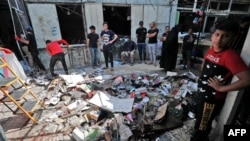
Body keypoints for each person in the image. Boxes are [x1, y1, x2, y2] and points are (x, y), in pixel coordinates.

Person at [190, 18, 250, 141]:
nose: (219, 39)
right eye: (217, 35)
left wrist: (222, 88)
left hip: (211, 99)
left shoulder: (230, 57)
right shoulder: (212, 49)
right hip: (202, 94)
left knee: (203, 126)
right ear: (212, 35)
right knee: (200, 121)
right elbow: (205, 63)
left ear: (232, 38)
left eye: (225, 36)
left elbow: (246, 80)